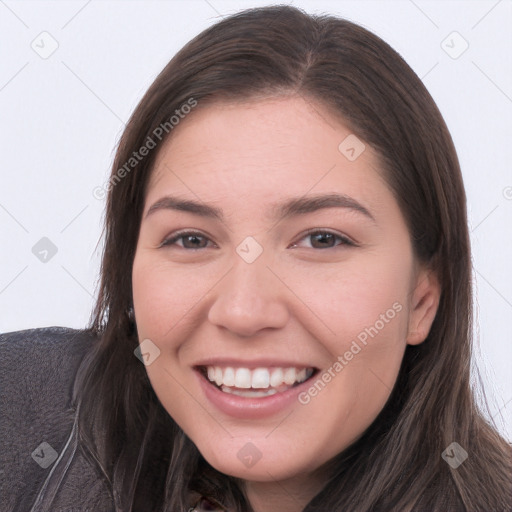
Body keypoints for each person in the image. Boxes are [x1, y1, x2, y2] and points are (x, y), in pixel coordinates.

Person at [1, 5, 510, 512]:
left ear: (422, 299)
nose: (243, 312)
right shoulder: (20, 413)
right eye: (192, 240)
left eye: (322, 239)